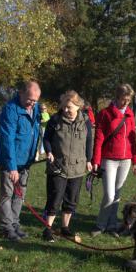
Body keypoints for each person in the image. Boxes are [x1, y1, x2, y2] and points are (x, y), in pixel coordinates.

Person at [41, 91, 93, 242]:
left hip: (77, 168)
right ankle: (48, 229)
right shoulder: (55, 120)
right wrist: (49, 151)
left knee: (71, 200)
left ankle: (65, 228)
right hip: (58, 166)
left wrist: (89, 160)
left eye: (69, 107)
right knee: (54, 198)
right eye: (64, 107)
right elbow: (47, 139)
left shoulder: (86, 121)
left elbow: (89, 141)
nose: (65, 110)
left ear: (78, 106)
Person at [90, 84, 136, 237]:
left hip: (126, 160)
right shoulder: (105, 114)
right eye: (124, 99)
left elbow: (133, 139)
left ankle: (111, 225)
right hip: (109, 160)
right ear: (117, 97)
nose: (126, 103)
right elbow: (99, 139)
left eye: (129, 100)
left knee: (117, 195)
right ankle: (100, 224)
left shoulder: (130, 114)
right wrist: (96, 161)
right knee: (109, 195)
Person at [0, 80, 41, 241]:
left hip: (26, 160)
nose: (32, 104)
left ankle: (15, 223)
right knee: (7, 194)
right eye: (30, 99)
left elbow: (35, 132)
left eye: (35, 101)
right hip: (10, 161)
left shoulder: (35, 108)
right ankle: (7, 227)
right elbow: (7, 139)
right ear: (21, 93)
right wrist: (12, 167)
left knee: (20, 194)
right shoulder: (10, 110)